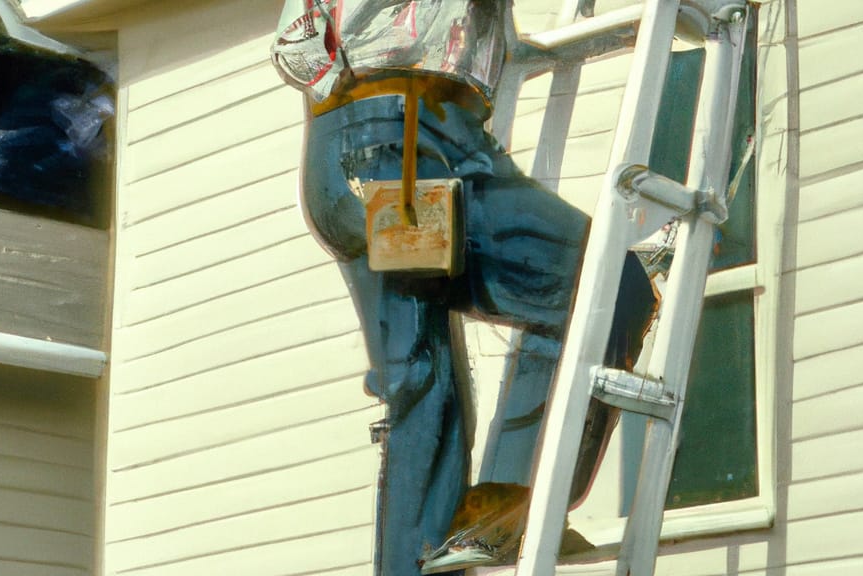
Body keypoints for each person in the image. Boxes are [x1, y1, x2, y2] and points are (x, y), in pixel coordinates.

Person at [271, 2, 656, 574]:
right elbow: (294, 40)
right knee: (431, 378)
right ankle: (499, 508)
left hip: (437, 134)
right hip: (388, 135)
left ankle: (496, 510)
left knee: (428, 379)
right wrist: (355, 101)